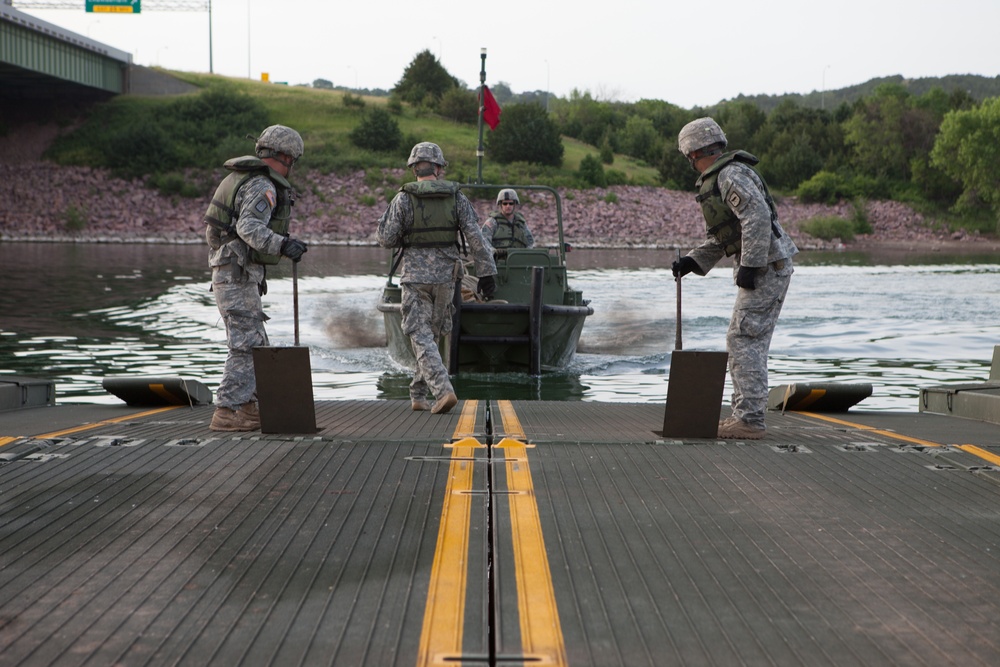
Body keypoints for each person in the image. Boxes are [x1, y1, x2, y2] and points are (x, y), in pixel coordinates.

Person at [672, 117, 798, 440]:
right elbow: (725, 234)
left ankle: (750, 420)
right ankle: (745, 414)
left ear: (695, 153)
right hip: (770, 263)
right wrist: (693, 261)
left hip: (767, 265)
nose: (692, 164)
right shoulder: (726, 176)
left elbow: (755, 217)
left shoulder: (729, 176)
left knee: (743, 339)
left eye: (691, 158)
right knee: (746, 339)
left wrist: (751, 266)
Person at [376, 142, 497, 414]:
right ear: (439, 168)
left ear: (414, 167)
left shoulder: (403, 199)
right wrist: (487, 272)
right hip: (446, 278)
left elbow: (385, 239)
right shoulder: (457, 198)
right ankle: (418, 394)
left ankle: (443, 391)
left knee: (419, 335)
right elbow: (476, 239)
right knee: (429, 335)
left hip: (415, 279)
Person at [203, 124, 309, 431]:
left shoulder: (244, 179)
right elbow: (248, 227)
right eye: (294, 160)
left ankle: (247, 408)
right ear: (286, 157)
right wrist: (282, 244)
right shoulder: (261, 185)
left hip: (235, 271)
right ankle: (226, 410)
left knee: (256, 342)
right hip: (235, 273)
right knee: (246, 344)